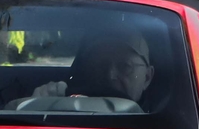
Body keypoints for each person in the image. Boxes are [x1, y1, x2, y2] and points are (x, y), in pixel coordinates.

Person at [14, 30, 156, 113]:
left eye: (125, 66)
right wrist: (40, 106)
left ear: (148, 77)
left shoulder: (165, 125)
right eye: (100, 65)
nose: (110, 75)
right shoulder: (64, 106)